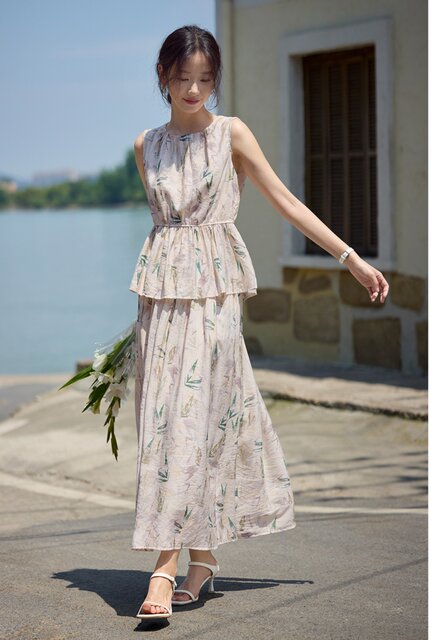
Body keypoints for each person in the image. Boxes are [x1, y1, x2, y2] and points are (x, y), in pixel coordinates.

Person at [130, 25, 389, 620]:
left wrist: (349, 258)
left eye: (205, 79)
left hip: (216, 301)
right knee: (166, 427)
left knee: (195, 422)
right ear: (163, 76)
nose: (194, 90)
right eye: (182, 78)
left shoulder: (232, 134)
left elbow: (285, 200)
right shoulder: (146, 146)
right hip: (160, 303)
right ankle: (202, 561)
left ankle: (163, 569)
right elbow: (166, 233)